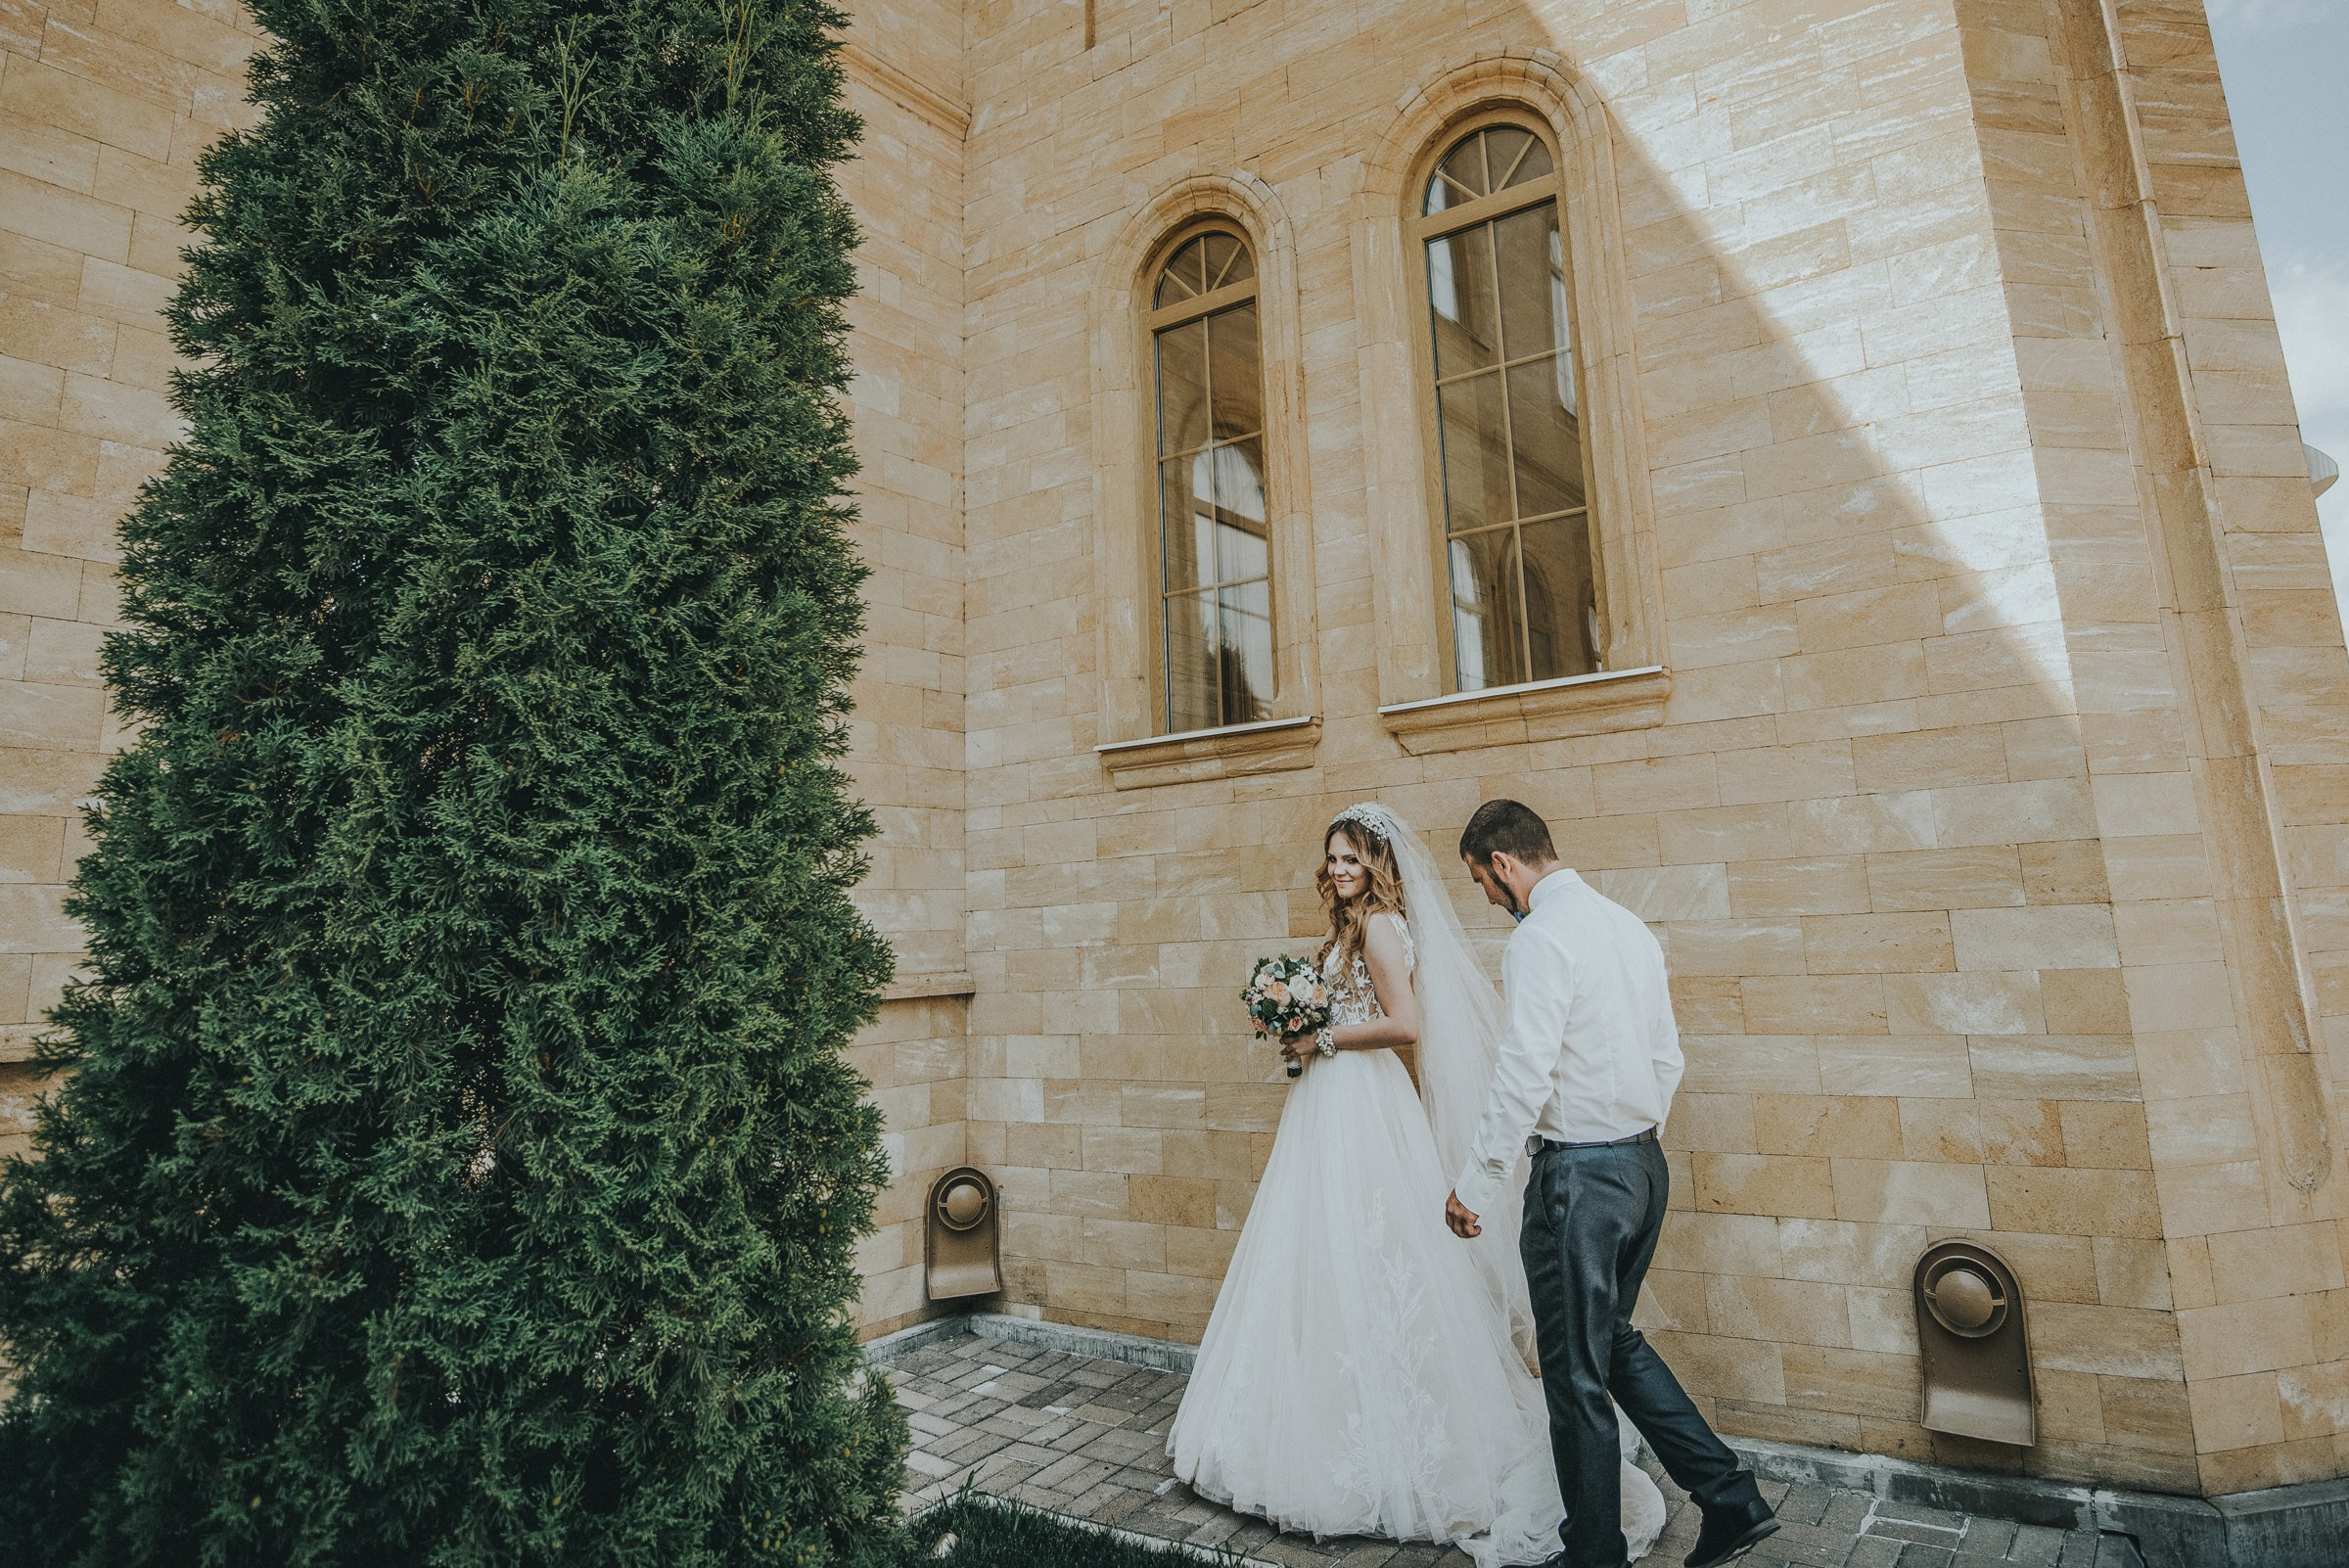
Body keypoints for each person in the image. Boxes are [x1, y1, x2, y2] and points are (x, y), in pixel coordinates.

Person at [1169, 803, 1665, 1566]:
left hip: (1367, 1109)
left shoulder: (1382, 927)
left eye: (1350, 859)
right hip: (1327, 1105)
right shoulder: (1346, 930)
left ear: (1375, 865)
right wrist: (1297, 1032)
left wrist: (1321, 1034)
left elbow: (1407, 1024)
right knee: (1318, 1254)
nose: (1338, 870)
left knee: (1376, 1255)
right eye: (1331, 858)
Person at [1446, 799, 1779, 1568]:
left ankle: (1594, 1555)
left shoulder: (1541, 940)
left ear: (1503, 863)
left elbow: (1523, 1070)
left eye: (1482, 882)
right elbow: (1668, 1059)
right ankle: (1731, 1499)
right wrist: (1631, 1142)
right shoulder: (1629, 928)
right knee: (1612, 1345)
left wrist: (1477, 1182)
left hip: (1580, 1182)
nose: (1489, 901)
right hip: (1640, 1168)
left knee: (1574, 1377)